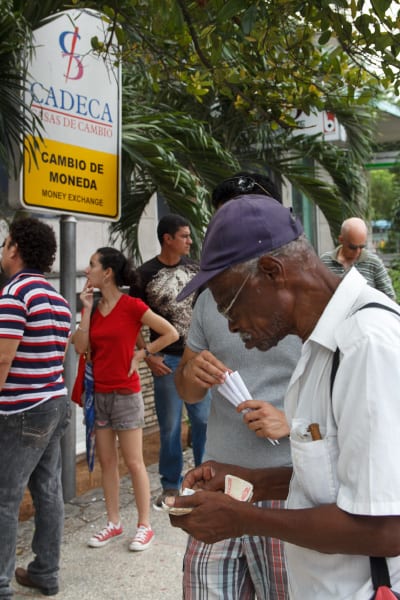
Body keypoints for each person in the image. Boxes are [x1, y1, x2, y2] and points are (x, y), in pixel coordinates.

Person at [167, 195, 400, 599]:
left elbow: (388, 528)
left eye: (230, 304)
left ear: (272, 271)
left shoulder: (366, 345)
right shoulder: (319, 348)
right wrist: (253, 483)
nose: (230, 323)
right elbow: (340, 480)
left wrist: (244, 519)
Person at [174, 173, 302, 599]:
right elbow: (188, 392)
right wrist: (190, 376)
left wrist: (294, 421)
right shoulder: (210, 295)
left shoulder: (307, 299)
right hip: (220, 479)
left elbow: (349, 408)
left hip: (290, 486)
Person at [72, 247, 178, 552]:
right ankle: (114, 523)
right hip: (100, 395)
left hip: (126, 394)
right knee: (107, 463)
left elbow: (169, 333)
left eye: (91, 265)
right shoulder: (90, 308)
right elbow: (80, 348)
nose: (86, 271)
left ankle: (144, 526)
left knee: (134, 462)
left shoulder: (132, 306)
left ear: (107, 273)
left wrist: (143, 353)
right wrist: (85, 310)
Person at [0, 217, 71, 599]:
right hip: (54, 404)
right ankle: (45, 571)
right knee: (47, 490)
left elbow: (2, 361)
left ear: (14, 249)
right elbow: (56, 356)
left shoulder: (14, 295)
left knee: (4, 496)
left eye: (5, 243)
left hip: (21, 410)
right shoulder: (57, 299)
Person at [130, 214, 211, 508]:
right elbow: (132, 321)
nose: (190, 241)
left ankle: (205, 479)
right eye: (185, 236)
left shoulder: (196, 270)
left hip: (198, 358)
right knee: (170, 426)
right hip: (167, 362)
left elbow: (207, 311)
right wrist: (148, 355)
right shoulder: (144, 274)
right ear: (168, 239)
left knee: (203, 421)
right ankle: (171, 485)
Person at [320, 216, 396, 299]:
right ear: (341, 240)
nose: (357, 251)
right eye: (352, 247)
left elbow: (390, 298)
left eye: (362, 247)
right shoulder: (324, 262)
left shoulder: (373, 263)